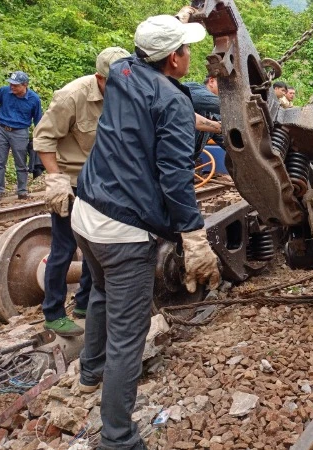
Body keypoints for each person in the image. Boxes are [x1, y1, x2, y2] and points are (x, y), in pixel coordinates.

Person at [71, 15, 221, 449]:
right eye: (186, 48)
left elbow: (135, 50)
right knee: (128, 335)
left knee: (99, 291)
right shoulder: (173, 103)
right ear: (174, 59)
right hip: (123, 233)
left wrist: (178, 18)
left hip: (86, 212)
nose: (191, 55)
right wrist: (193, 237)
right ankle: (117, 437)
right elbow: (175, 178)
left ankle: (89, 370)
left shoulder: (120, 71)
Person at [32, 47, 130, 338]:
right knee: (63, 248)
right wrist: (56, 179)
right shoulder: (72, 96)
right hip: (71, 180)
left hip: (101, 181)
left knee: (95, 245)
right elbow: (43, 139)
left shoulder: (124, 92)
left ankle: (85, 303)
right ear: (100, 78)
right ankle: (53, 312)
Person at [0, 71, 43, 201]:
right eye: (11, 84)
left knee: (21, 163)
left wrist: (40, 137)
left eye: (15, 85)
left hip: (20, 132)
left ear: (25, 85)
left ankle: (22, 191)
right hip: (2, 129)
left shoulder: (34, 99)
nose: (12, 87)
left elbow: (38, 120)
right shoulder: (4, 91)